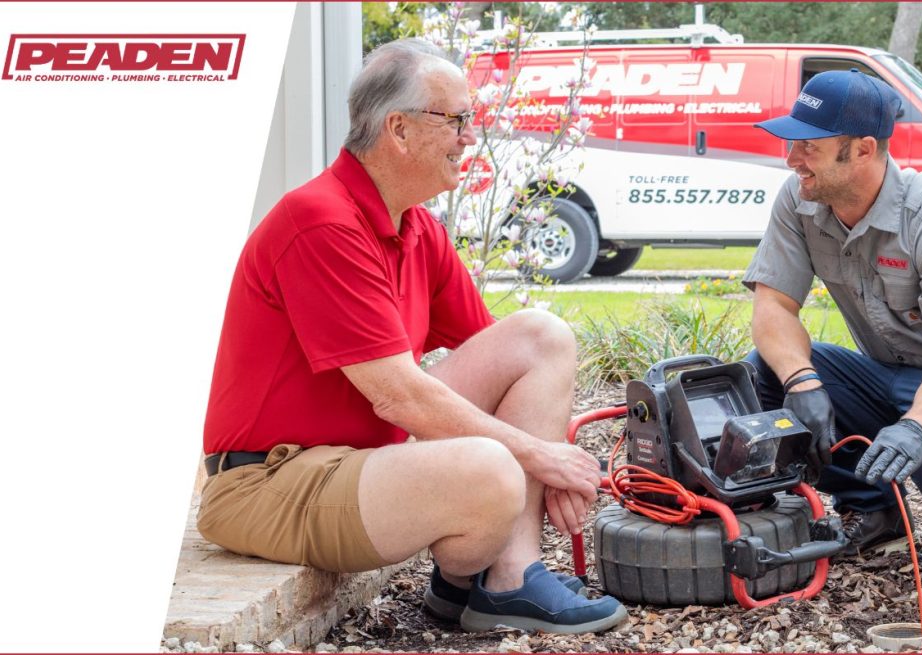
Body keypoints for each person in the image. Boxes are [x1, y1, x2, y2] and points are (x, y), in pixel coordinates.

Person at [195, 38, 628, 634]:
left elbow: (505, 363)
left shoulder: (416, 227)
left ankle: (506, 576)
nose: (469, 138)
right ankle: (477, 581)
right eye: (455, 120)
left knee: (541, 337)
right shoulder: (320, 221)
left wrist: (546, 454)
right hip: (267, 480)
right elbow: (398, 394)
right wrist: (542, 459)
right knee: (493, 468)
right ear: (398, 129)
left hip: (359, 459)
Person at [743, 69, 922, 558]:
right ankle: (874, 507)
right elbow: (773, 305)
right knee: (766, 373)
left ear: (863, 149)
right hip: (885, 375)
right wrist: (801, 380)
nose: (792, 158)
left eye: (808, 146)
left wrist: (916, 427)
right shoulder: (800, 199)